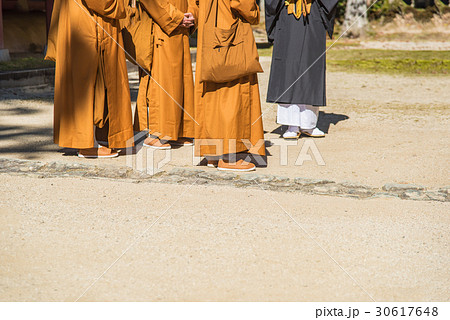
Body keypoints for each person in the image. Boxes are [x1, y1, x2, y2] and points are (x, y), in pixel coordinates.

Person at [45, 0, 134, 158]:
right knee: (85, 82)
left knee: (86, 81)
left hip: (78, 22)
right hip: (85, 26)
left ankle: (95, 137)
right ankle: (86, 144)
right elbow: (103, 3)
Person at [192, 0, 266, 172]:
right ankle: (228, 156)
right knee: (232, 91)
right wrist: (254, 12)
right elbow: (245, 6)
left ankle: (213, 152)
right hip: (230, 34)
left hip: (209, 30)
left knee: (212, 92)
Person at [265, 0, 338, 139]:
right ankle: (291, 125)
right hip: (288, 14)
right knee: (288, 70)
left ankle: (308, 124)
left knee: (311, 69)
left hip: (312, 14)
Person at [134, 0, 198, 150]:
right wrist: (176, 17)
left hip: (181, 29)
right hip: (159, 26)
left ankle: (178, 131)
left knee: (181, 80)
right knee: (160, 78)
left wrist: (192, 15)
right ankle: (155, 133)